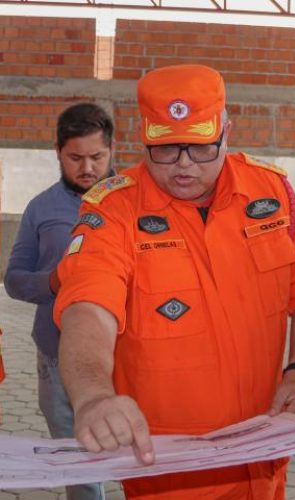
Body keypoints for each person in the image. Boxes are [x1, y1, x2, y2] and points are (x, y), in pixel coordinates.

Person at [52, 64, 295, 500]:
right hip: (169, 466)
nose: (184, 166)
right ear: (144, 138)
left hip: (261, 453)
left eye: (202, 148)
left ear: (227, 130)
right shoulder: (114, 211)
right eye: (166, 150)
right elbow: (89, 306)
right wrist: (92, 395)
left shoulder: (273, 194)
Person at [4, 102, 115, 500]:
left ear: (111, 150)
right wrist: (53, 281)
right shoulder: (41, 208)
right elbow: (14, 280)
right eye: (75, 158)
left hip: (133, 353)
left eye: (97, 157)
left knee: (148, 455)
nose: (87, 168)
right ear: (57, 152)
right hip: (56, 354)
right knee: (76, 458)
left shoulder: (138, 203)